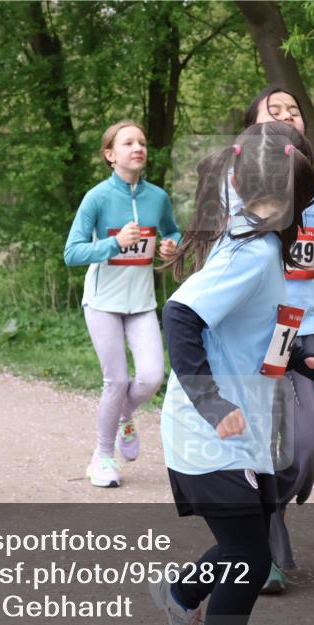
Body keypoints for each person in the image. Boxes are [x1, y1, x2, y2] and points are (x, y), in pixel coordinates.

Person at [151, 122, 314, 625]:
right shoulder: (252, 251)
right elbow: (180, 315)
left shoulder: (260, 241)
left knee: (247, 547)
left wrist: (305, 363)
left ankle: (181, 593)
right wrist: (212, 403)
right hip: (209, 429)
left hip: (243, 428)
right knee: (249, 559)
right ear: (295, 198)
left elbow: (264, 328)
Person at [239, 86, 314, 591]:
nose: (288, 114)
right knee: (260, 440)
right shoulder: (235, 182)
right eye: (275, 109)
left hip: (303, 332)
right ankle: (262, 535)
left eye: (295, 110)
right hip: (253, 332)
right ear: (254, 127)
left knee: (309, 448)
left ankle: (273, 507)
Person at [64, 120, 181, 488]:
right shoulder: (97, 197)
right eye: (128, 143)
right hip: (102, 302)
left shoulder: (157, 198)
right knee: (115, 381)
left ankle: (122, 416)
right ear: (110, 155)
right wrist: (115, 244)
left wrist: (171, 244)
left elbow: (173, 230)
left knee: (151, 377)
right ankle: (102, 457)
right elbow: (72, 252)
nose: (138, 148)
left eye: (142, 142)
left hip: (142, 302)